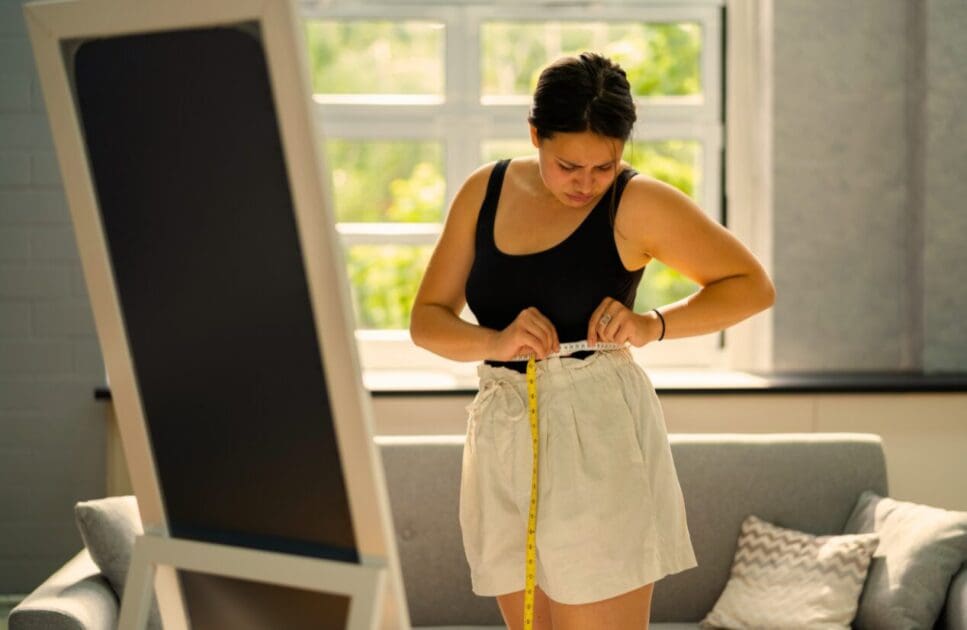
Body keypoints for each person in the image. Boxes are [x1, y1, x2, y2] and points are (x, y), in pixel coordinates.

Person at [409, 51, 776, 630]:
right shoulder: (486, 190)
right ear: (535, 134)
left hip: (599, 435)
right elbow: (427, 321)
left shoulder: (638, 203)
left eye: (603, 167)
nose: (585, 184)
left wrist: (653, 324)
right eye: (567, 165)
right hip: (504, 431)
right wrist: (496, 341)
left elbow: (752, 286)